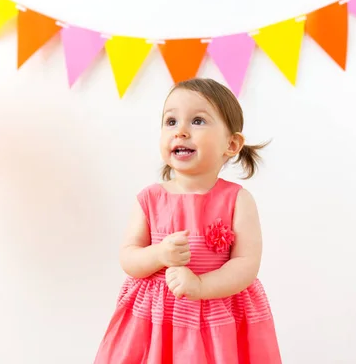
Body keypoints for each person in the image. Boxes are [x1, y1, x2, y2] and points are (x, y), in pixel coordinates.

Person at [94, 78, 282, 363]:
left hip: (217, 316)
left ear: (231, 144)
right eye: (170, 121)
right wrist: (159, 254)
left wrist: (201, 286)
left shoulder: (237, 200)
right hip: (156, 320)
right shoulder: (150, 199)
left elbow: (246, 265)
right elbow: (128, 258)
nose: (180, 131)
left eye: (197, 121)